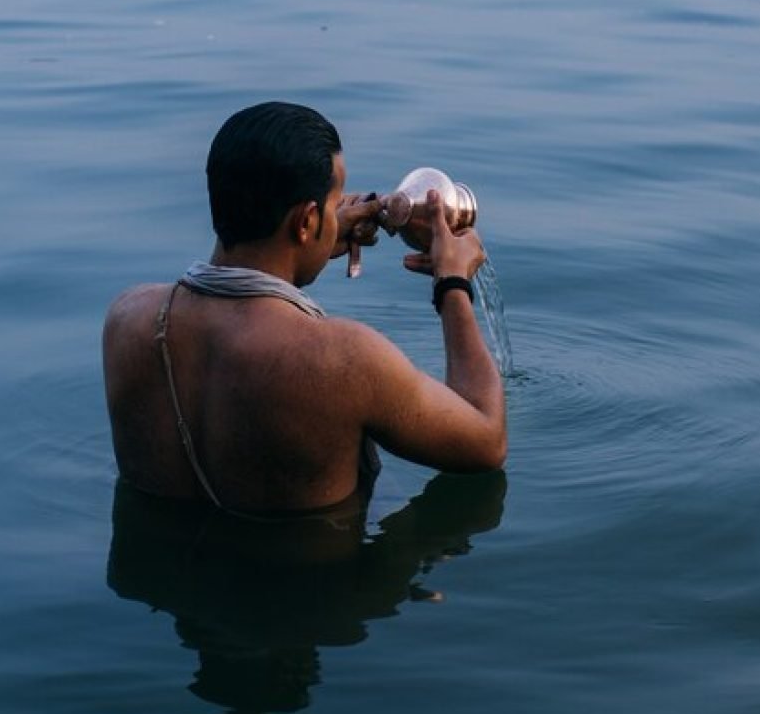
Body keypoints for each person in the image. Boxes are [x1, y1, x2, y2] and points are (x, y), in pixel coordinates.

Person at [102, 101, 506, 517]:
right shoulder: (346, 358)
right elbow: (487, 442)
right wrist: (453, 283)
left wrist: (299, 253)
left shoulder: (127, 319)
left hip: (167, 575)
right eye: (334, 209)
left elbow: (245, 317)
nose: (341, 217)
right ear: (306, 221)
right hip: (314, 578)